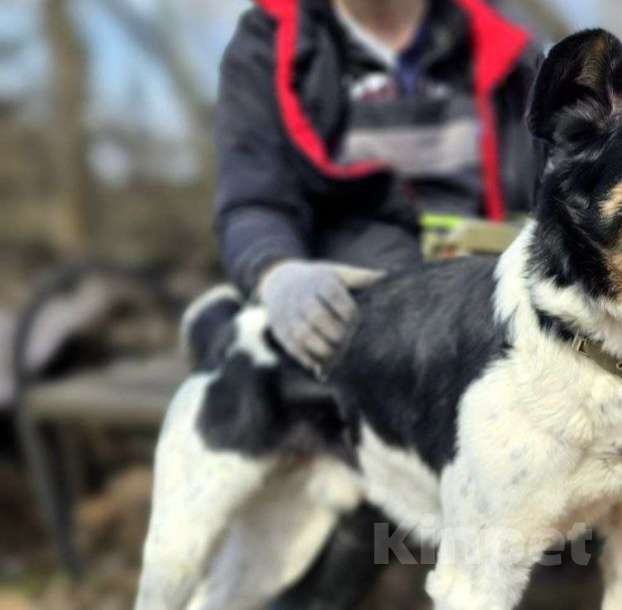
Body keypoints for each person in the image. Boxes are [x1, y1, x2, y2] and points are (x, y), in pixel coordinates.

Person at [214, 0, 543, 373]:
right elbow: (253, 201)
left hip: (496, 316)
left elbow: (558, 185)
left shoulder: (504, 39)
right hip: (351, 332)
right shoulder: (267, 45)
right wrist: (278, 274)